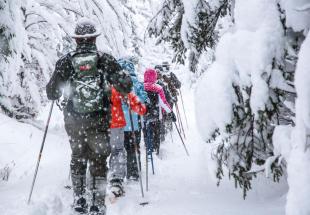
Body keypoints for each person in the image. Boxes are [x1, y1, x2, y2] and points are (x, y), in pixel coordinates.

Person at [46, 18, 132, 215]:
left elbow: (51, 92)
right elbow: (126, 86)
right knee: (98, 161)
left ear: (77, 40)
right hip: (99, 119)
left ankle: (79, 201)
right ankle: (97, 205)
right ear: (94, 39)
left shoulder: (65, 61)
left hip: (74, 121)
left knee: (78, 157)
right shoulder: (105, 59)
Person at [108, 86, 146, 198]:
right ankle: (117, 179)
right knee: (119, 150)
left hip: (96, 122)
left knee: (94, 152)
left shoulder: (101, 79)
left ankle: (94, 182)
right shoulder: (123, 83)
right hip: (119, 122)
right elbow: (141, 108)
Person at [118, 57, 148, 181]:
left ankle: (118, 175)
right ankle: (133, 172)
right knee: (133, 148)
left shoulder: (114, 81)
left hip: (117, 122)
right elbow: (143, 99)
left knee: (118, 149)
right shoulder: (136, 82)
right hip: (133, 122)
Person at [143, 68, 176, 155]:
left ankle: (148, 149)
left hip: (144, 116)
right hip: (156, 116)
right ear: (154, 77)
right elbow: (163, 102)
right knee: (156, 134)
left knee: (146, 134)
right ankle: (155, 150)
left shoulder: (141, 87)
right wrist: (170, 112)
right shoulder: (158, 88)